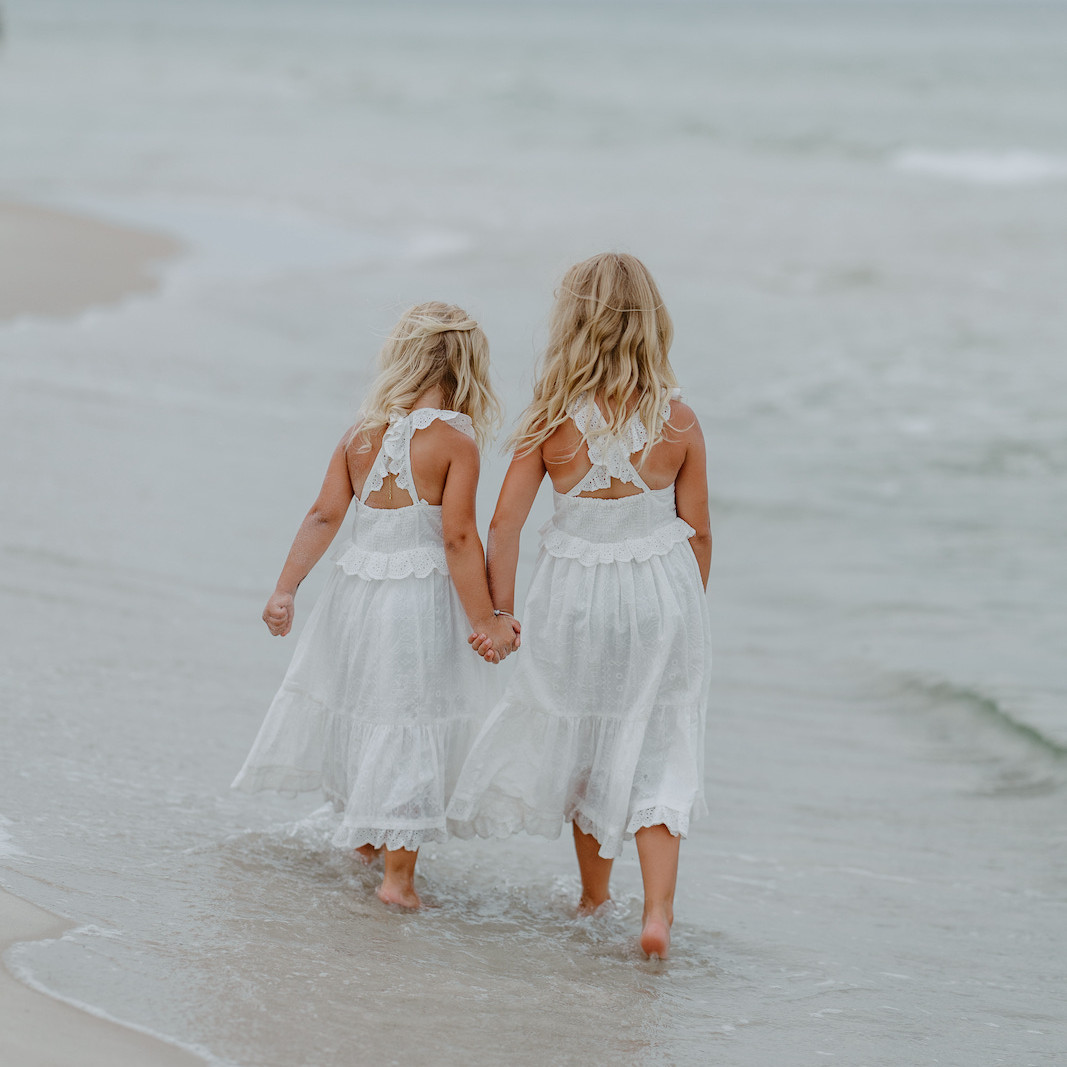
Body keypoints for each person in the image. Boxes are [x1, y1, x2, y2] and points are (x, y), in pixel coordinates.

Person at [448, 254, 712, 958]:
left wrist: (499, 612)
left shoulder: (549, 421)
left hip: (572, 596)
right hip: (659, 594)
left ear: (572, 323)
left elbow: (501, 525)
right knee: (658, 750)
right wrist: (687, 612)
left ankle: (595, 897)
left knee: (588, 739)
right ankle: (655, 913)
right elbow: (700, 529)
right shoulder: (678, 420)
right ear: (652, 325)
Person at [232, 302, 519, 909]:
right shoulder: (454, 441)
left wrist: (286, 589)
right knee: (408, 720)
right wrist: (487, 620)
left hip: (355, 599)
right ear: (469, 368)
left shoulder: (361, 433)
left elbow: (323, 514)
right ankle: (398, 880)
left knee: (367, 710)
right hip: (417, 603)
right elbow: (459, 538)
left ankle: (363, 848)